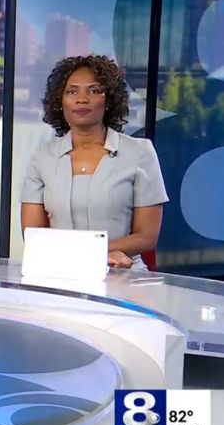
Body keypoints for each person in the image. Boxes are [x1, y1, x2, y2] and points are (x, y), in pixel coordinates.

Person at [20, 55, 168, 270]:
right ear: (60, 102)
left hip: (121, 272)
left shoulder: (140, 153)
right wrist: (92, 253)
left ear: (109, 100)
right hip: (58, 271)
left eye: (94, 90)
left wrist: (97, 255)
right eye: (72, 91)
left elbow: (147, 237)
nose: (82, 98)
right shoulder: (42, 156)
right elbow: (33, 237)